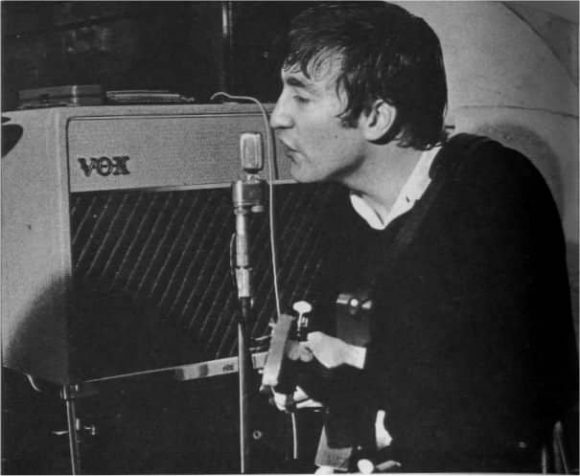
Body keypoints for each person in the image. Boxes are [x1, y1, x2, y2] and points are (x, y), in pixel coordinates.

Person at [267, 2, 578, 473]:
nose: (277, 117)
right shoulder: (341, 209)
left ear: (376, 115)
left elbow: (501, 407)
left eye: (302, 97)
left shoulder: (492, 188)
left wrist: (354, 369)